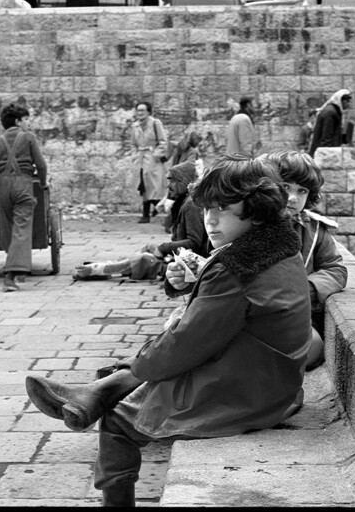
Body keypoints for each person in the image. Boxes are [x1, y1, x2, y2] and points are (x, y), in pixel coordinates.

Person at [26, 155, 311, 506]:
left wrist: (142, 362)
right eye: (207, 209)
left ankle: (113, 481)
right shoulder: (279, 246)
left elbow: (185, 344)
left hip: (249, 392)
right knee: (154, 363)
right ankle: (95, 393)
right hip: (272, 378)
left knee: (119, 418)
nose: (210, 221)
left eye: (222, 210)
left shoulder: (238, 268)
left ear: (256, 209)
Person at [260, 151, 348, 370]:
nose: (293, 198)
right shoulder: (253, 221)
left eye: (302, 191)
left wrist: (307, 287)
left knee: (312, 348)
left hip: (292, 316)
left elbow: (335, 269)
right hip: (253, 313)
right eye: (285, 187)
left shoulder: (314, 229)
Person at [73, 161, 207, 281]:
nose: (169, 186)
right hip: (181, 256)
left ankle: (101, 270)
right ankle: (115, 267)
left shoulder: (191, 205)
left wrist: (164, 248)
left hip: (192, 263)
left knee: (146, 260)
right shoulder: (183, 202)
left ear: (183, 181)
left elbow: (194, 242)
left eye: (173, 181)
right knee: (149, 249)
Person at [0, 102, 48, 292]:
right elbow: (41, 165)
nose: (28, 124)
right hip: (23, 184)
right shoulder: (29, 138)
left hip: (2, 187)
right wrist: (43, 183)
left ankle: (15, 264)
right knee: (22, 228)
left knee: (7, 227)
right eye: (26, 120)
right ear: (17, 121)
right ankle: (11, 275)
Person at [129, 101, 167, 224]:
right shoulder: (135, 126)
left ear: (148, 111)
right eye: (138, 110)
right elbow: (133, 143)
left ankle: (161, 209)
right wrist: (134, 155)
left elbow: (163, 141)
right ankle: (147, 213)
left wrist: (156, 154)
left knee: (153, 187)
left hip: (152, 159)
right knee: (143, 187)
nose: (140, 113)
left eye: (142, 110)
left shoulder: (156, 123)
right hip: (139, 159)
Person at [308, 89, 352, 157]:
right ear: (341, 100)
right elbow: (326, 137)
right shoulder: (331, 113)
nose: (348, 104)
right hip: (323, 154)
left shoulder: (334, 111)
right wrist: (326, 155)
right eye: (347, 101)